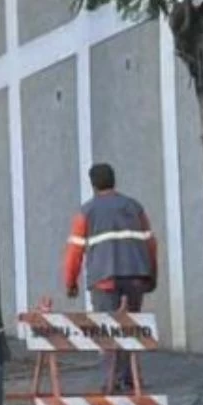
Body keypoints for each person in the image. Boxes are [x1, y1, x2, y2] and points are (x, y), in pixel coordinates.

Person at [63, 163, 159, 392]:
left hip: (104, 279)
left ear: (93, 184)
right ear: (114, 180)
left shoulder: (87, 212)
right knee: (130, 329)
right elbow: (150, 244)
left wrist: (71, 282)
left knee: (107, 331)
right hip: (135, 276)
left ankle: (112, 381)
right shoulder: (134, 207)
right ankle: (129, 378)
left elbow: (74, 252)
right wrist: (152, 275)